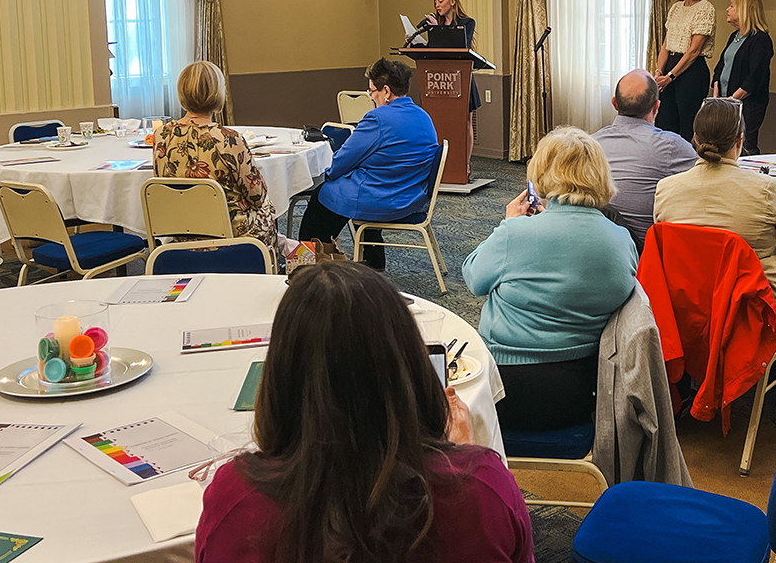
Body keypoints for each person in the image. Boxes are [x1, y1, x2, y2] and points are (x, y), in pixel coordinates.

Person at [194, 262, 534, 563]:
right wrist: (463, 461)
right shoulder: (482, 490)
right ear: (409, 366)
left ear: (280, 378)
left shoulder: (235, 500)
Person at [462, 126, 638, 431]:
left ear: (541, 174)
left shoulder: (516, 234)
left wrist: (507, 225)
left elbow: (474, 278)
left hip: (504, 389)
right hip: (586, 392)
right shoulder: (622, 240)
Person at [653, 98, 776, 331]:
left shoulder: (665, 189)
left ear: (695, 139)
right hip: (761, 304)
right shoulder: (766, 189)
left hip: (693, 305)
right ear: (740, 141)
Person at [298, 58, 439, 270]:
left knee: (323, 195)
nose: (371, 97)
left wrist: (327, 175)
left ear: (386, 91)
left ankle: (307, 265)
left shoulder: (377, 118)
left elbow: (344, 160)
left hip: (386, 198)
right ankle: (373, 259)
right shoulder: (423, 116)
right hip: (411, 195)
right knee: (358, 185)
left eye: (372, 92)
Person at [153, 61, 277, 250]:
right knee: (268, 207)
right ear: (218, 93)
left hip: (183, 233)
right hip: (230, 236)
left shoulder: (161, 136)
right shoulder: (229, 139)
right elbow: (256, 196)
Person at [592, 69, 696, 250]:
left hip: (594, 247)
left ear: (614, 104)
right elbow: (708, 179)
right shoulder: (671, 147)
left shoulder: (589, 145)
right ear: (656, 107)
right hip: (642, 259)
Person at [653, 0, 716, 141]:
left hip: (691, 72)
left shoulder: (705, 8)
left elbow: (694, 50)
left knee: (687, 125)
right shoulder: (675, 8)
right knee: (664, 123)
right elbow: (666, 44)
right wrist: (659, 72)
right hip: (669, 69)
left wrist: (671, 76)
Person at [711, 0, 774, 156]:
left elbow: (755, 77)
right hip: (726, 104)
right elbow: (721, 65)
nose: (727, 9)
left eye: (732, 6)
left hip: (747, 106)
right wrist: (717, 89)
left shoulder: (760, 39)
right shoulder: (734, 36)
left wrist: (732, 100)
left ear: (743, 10)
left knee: (745, 148)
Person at [425, 0, 479, 173]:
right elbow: (435, 52)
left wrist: (439, 30)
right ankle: (442, 166)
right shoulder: (435, 25)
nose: (437, 5)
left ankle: (465, 164)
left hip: (462, 77)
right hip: (441, 80)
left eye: (440, 1)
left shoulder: (467, 22)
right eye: (435, 2)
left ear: (452, 1)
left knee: (464, 122)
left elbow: (461, 46)